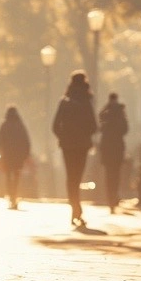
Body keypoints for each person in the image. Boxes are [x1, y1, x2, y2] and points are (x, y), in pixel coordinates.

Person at [52, 70, 98, 228]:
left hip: (67, 146)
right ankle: (77, 209)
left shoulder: (64, 101)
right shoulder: (87, 101)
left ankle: (75, 208)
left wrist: (63, 137)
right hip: (82, 146)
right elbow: (94, 126)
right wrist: (84, 135)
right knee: (77, 177)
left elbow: (54, 126)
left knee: (70, 177)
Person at [98, 92, 129, 213]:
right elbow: (125, 129)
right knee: (115, 174)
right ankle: (113, 196)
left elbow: (99, 125)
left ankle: (110, 197)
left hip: (107, 147)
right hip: (117, 147)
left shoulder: (105, 113)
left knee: (108, 174)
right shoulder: (121, 112)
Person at [0, 106, 31, 210]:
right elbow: (26, 140)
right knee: (16, 177)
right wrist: (26, 154)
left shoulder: (4, 124)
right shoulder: (20, 125)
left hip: (7, 156)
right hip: (18, 156)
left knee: (8, 176)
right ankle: (15, 195)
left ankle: (11, 196)